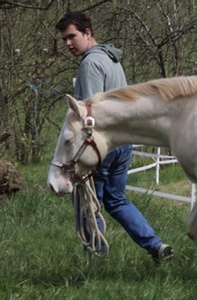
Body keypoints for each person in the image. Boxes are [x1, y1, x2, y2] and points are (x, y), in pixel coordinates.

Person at [55, 11, 173, 264]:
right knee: (115, 198)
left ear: (88, 33)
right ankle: (155, 245)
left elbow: (90, 117)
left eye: (72, 36)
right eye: (65, 39)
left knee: (86, 200)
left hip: (102, 145)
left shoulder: (90, 64)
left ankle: (95, 259)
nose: (68, 43)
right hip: (123, 144)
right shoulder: (112, 59)